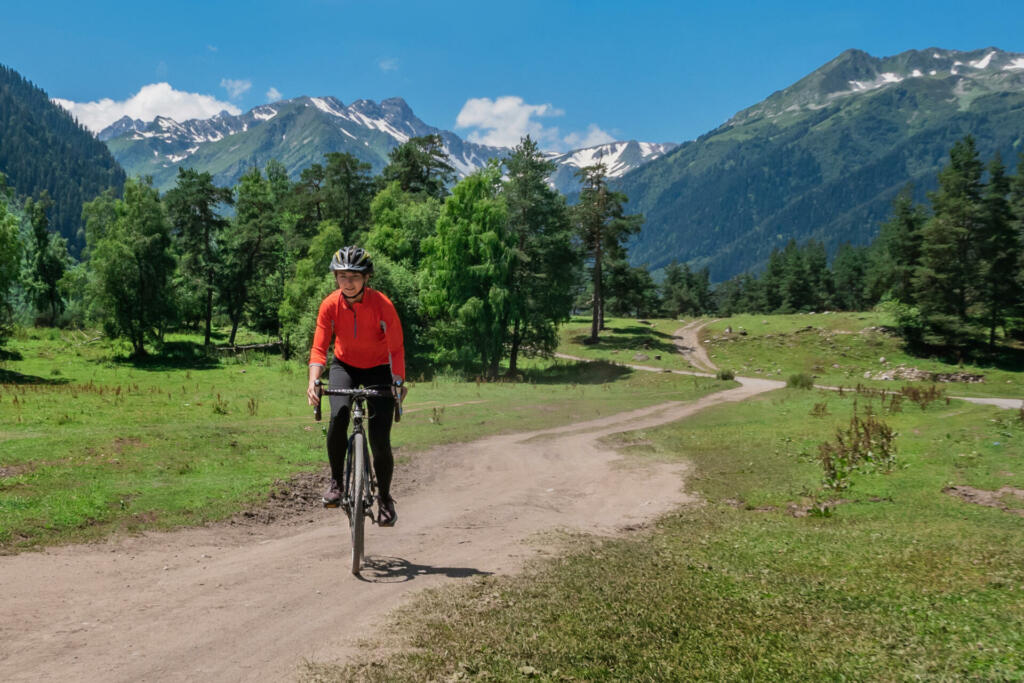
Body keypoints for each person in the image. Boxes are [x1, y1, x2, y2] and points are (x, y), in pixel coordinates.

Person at [306, 246, 405, 526]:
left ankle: (385, 498)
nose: (348, 282)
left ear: (366, 278)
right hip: (344, 365)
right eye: (342, 276)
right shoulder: (329, 305)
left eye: (354, 276)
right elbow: (319, 347)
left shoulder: (383, 305)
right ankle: (336, 481)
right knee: (338, 416)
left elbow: (396, 348)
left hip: (379, 369)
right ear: (336, 278)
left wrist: (397, 381)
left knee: (380, 439)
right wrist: (314, 379)